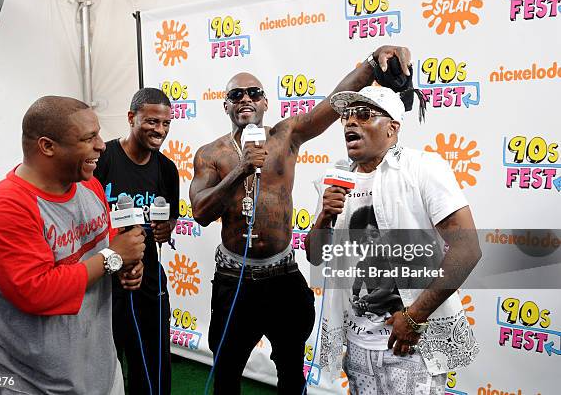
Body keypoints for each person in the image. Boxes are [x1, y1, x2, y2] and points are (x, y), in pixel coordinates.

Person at [189, 45, 412, 394]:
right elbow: (200, 212)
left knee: (291, 370)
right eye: (236, 94)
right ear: (227, 105)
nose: (245, 98)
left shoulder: (286, 136)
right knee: (227, 373)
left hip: (282, 278)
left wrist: (371, 63)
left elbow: (330, 105)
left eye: (254, 93)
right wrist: (242, 169)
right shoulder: (210, 154)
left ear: (265, 103)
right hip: (235, 280)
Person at [305, 86, 481, 395]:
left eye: (364, 115)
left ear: (392, 128)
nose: (350, 123)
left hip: (411, 344)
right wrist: (324, 218)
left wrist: (413, 318)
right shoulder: (333, 177)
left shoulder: (423, 168)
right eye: (347, 116)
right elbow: (315, 256)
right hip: (357, 344)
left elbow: (467, 249)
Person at [0, 96, 146, 395]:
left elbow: (106, 242)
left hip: (100, 372)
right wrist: (113, 257)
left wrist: (125, 265)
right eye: (89, 138)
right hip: (33, 384)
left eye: (98, 134)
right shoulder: (4, 208)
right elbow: (37, 291)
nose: (102, 145)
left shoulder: (88, 184)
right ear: (47, 146)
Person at [94, 87, 179, 395]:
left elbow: (171, 219)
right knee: (107, 363)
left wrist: (165, 230)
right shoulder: (103, 159)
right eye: (152, 122)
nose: (160, 130)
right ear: (131, 118)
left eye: (166, 123)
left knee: (154, 365)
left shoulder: (167, 169)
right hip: (105, 281)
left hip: (150, 282)